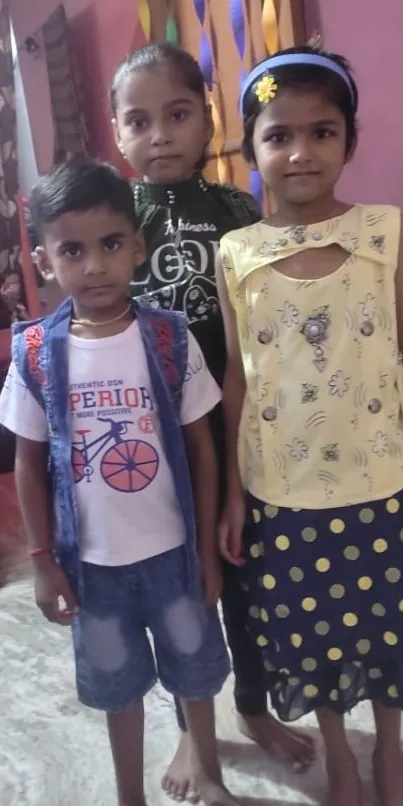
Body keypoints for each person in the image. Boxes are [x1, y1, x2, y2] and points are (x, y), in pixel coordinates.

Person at [110, 42, 314, 802]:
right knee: (177, 590)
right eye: (139, 120)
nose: (159, 133)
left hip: (235, 425)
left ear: (207, 120)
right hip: (152, 441)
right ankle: (192, 733)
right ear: (116, 130)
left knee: (249, 580)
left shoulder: (237, 212)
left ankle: (255, 710)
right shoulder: (114, 220)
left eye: (177, 114)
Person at [0, 156, 238, 806]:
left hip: (173, 559)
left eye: (110, 244)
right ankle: (129, 795)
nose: (95, 264)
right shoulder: (35, 355)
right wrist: (44, 561)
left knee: (195, 674)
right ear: (46, 262)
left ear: (136, 246)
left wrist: (204, 551)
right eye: (72, 250)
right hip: (92, 571)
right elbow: (27, 460)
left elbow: (201, 444)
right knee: (117, 690)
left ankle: (209, 773)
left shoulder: (168, 339)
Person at [217, 44, 403, 806]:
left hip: (380, 484)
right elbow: (236, 379)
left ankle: (389, 757)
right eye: (277, 134)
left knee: (386, 633)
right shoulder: (238, 253)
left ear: (349, 141)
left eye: (321, 131)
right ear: (250, 148)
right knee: (315, 639)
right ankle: (342, 759)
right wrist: (233, 496)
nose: (299, 151)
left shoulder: (385, 235)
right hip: (282, 496)